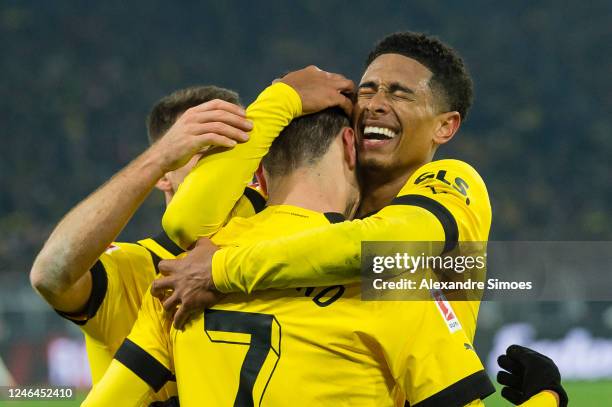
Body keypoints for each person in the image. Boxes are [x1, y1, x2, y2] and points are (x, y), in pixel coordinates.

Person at [82, 93, 496, 406]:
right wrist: (546, 396)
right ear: (351, 146)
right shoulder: (387, 279)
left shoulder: (179, 279)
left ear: (259, 170)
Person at [156, 32, 490, 346]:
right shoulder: (309, 199)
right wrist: (282, 99)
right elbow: (186, 223)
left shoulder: (454, 185)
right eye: (367, 90)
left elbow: (386, 245)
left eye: (400, 93)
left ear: (445, 126)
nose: (375, 104)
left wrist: (223, 270)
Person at [30, 85, 254, 404]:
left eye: (238, 151)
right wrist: (159, 157)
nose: (227, 168)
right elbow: (49, 275)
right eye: (206, 151)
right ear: (165, 176)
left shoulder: (269, 256)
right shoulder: (134, 268)